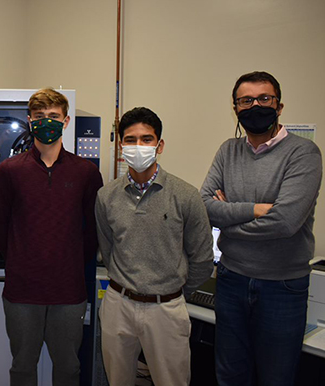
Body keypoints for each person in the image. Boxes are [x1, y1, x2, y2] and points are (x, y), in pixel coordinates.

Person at [201, 71, 322, 386]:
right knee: (230, 374)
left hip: (281, 286)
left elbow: (285, 222)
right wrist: (254, 210)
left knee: (276, 377)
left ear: (279, 106)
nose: (255, 106)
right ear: (235, 107)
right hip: (230, 279)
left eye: (264, 99)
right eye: (246, 101)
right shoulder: (229, 150)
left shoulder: (303, 153)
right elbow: (204, 207)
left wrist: (228, 220)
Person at [0, 88, 103, 386]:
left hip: (69, 292)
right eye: (40, 117)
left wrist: (69, 262)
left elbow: (92, 231)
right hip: (22, 291)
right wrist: (22, 259)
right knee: (22, 368)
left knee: (68, 368)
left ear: (66, 121)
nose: (46, 122)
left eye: (53, 116)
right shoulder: (9, 171)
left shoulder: (86, 172)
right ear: (29, 121)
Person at [95, 107, 214, 385]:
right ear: (121, 145)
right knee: (117, 380)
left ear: (159, 145)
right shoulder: (106, 197)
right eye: (131, 139)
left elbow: (203, 259)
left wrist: (172, 292)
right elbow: (109, 249)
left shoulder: (185, 195)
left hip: (166, 309)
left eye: (146, 139)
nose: (138, 146)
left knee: (171, 381)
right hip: (118, 304)